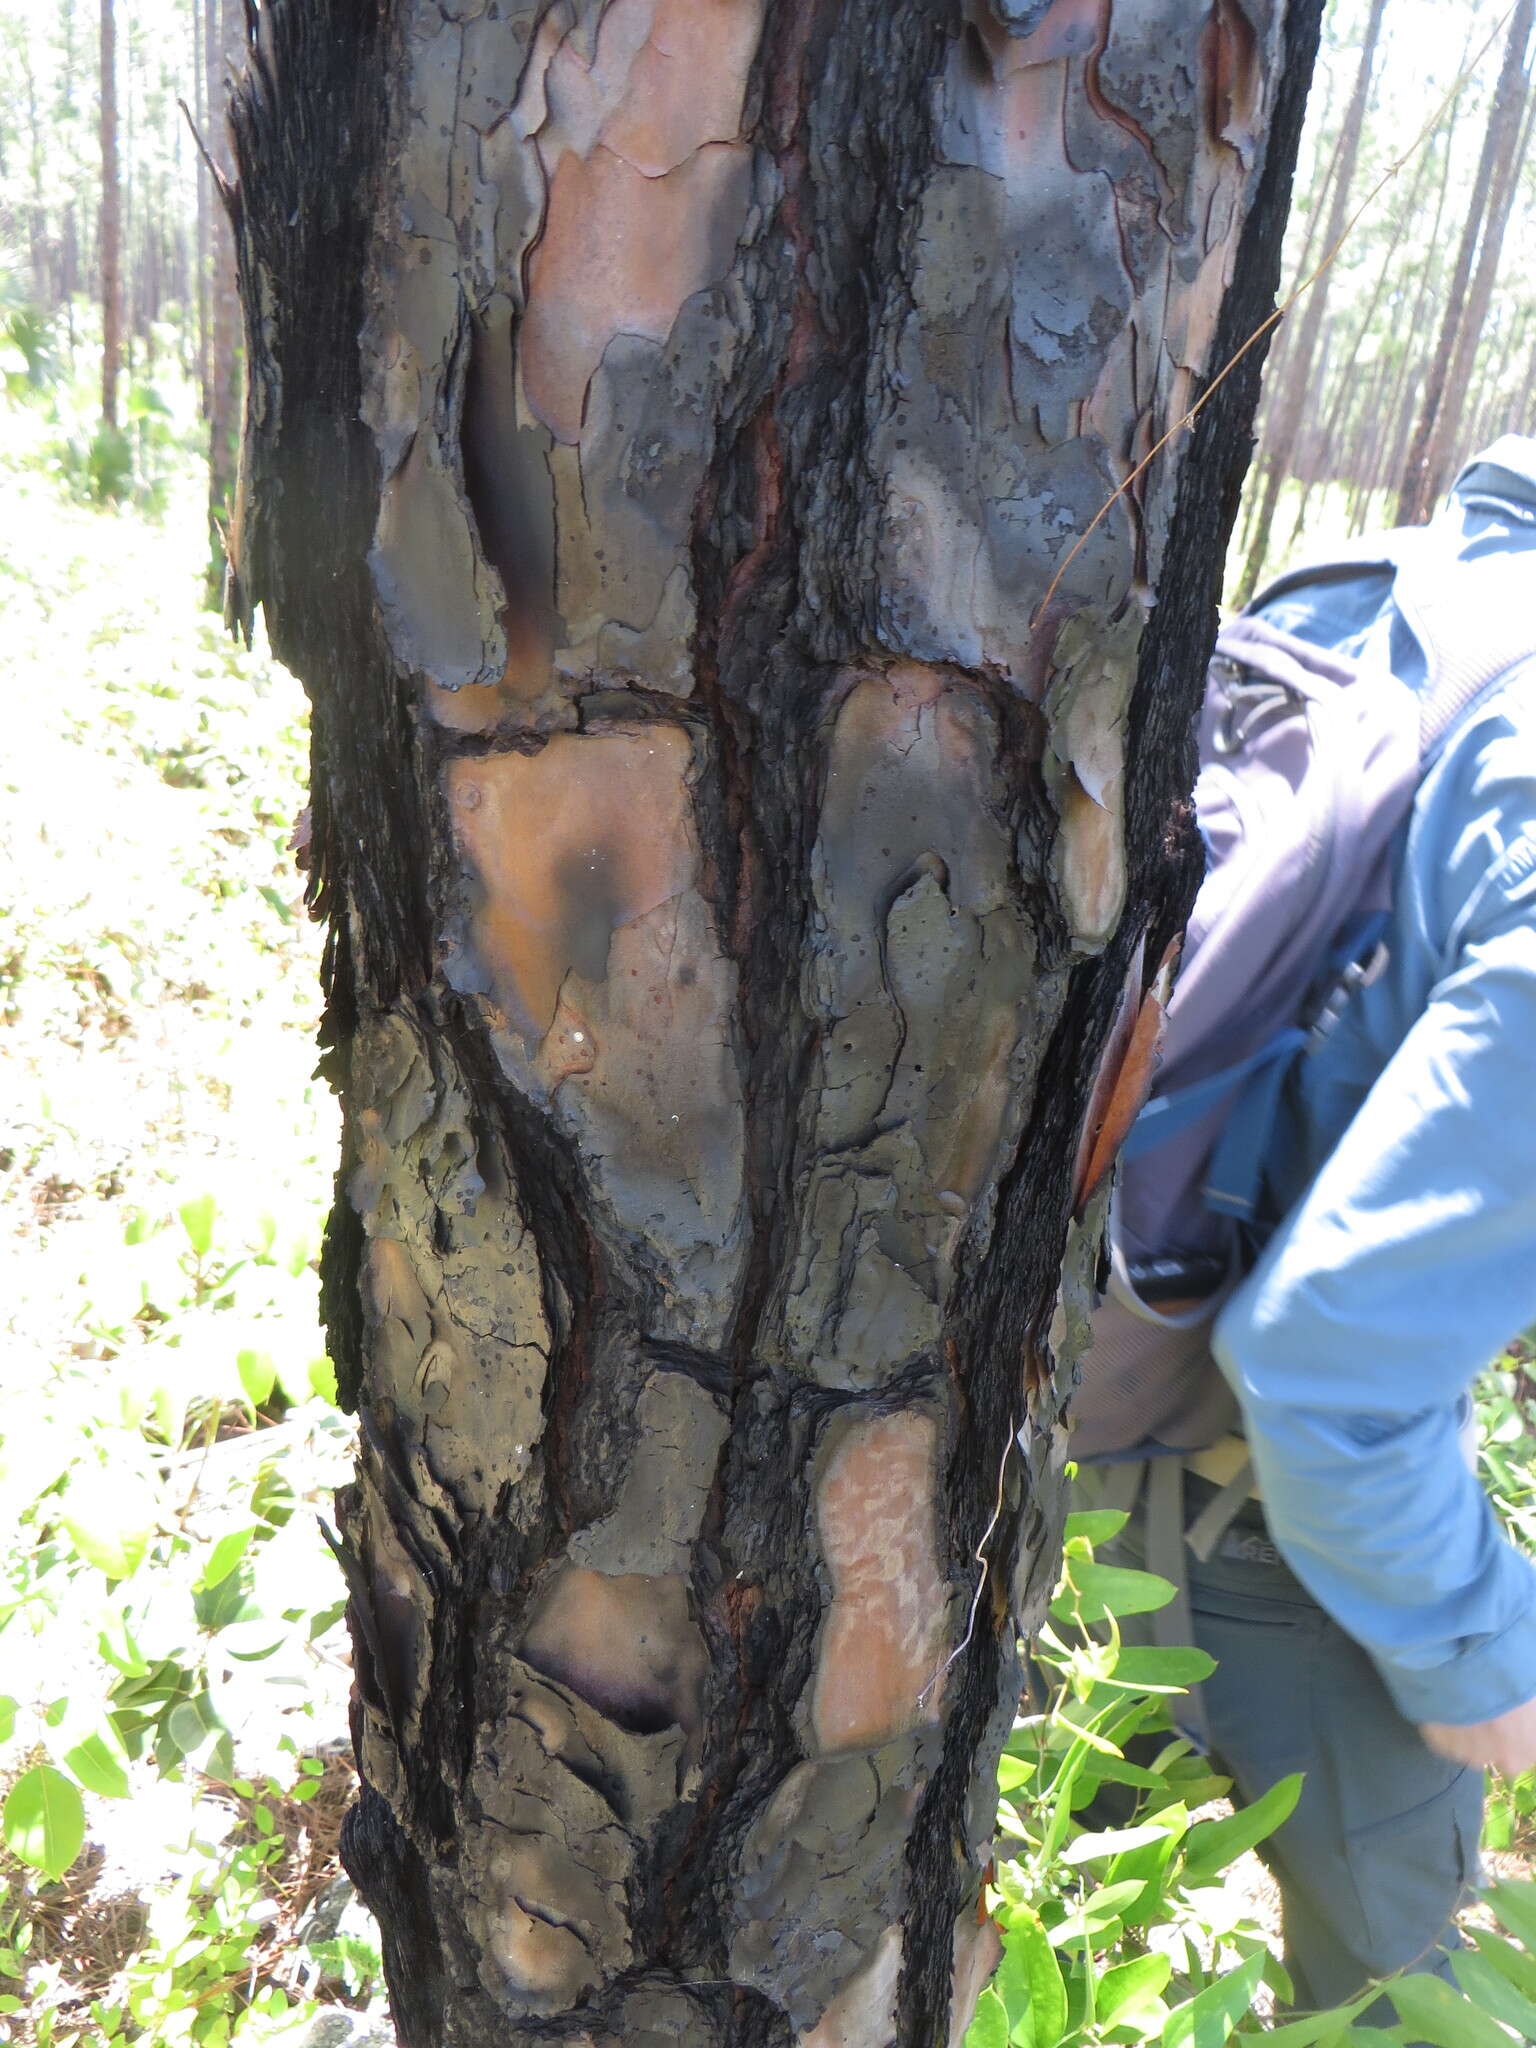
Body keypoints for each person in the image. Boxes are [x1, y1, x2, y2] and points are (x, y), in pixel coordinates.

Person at [1081, 436, 1536, 2013]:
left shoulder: (1368, 585)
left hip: (1063, 1397)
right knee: (1408, 1992)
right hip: (1289, 1523)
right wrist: (1488, 1657)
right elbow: (1334, 1370)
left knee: (1031, 1905)